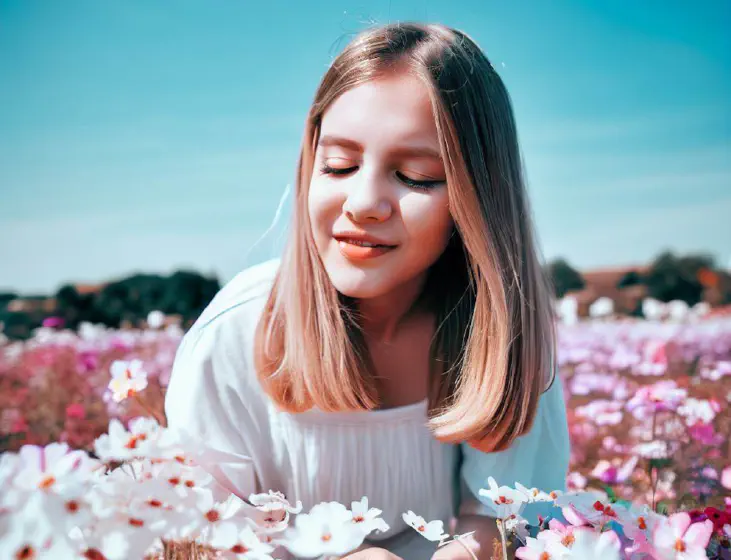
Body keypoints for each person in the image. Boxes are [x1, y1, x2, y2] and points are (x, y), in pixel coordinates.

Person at [164, 21, 570, 560]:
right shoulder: (234, 333)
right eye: (339, 166)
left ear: (479, 199)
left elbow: (503, 520)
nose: (363, 202)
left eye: (417, 176)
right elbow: (200, 536)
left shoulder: (502, 334)